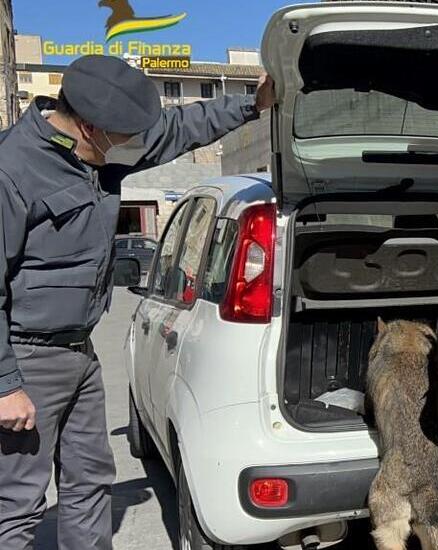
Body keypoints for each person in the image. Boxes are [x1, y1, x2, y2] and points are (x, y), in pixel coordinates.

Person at [0, 54, 275, 549]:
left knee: (90, 483)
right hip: (25, 357)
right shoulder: (12, 168)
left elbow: (178, 129)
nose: (133, 144)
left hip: (79, 353)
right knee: (17, 504)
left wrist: (252, 105)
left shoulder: (101, 151)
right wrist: (5, 386)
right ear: (89, 127)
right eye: (124, 136)